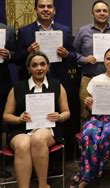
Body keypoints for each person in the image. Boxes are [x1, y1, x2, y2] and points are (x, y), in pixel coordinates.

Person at [3, 51, 70, 188]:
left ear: (48, 66)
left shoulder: (57, 85)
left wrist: (60, 116)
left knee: (38, 139)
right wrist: (19, 119)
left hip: (48, 128)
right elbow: (6, 115)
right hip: (21, 129)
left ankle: (42, 185)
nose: (39, 68)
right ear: (29, 68)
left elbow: (67, 112)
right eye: (34, 65)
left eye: (42, 64)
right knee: (23, 145)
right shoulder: (17, 87)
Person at [71, 48, 110, 187]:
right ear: (104, 60)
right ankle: (90, 175)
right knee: (88, 133)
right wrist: (88, 104)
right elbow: (90, 107)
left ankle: (87, 175)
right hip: (97, 117)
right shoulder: (96, 80)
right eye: (108, 59)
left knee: (107, 134)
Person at [73, 0, 110, 117]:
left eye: (105, 11)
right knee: (86, 115)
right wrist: (84, 59)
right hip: (89, 79)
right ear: (92, 14)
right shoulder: (83, 31)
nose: (102, 13)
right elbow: (73, 53)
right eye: (98, 11)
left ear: (109, 14)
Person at [15, 0, 75, 84]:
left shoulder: (65, 31)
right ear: (35, 10)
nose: (46, 9)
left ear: (54, 11)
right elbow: (17, 59)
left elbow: (74, 56)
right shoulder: (24, 31)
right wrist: (28, 51)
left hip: (58, 80)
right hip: (31, 81)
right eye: (42, 6)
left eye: (49, 6)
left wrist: (66, 54)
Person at [0, 22, 16, 149]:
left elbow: (16, 54)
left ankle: (6, 153)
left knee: (5, 114)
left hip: (2, 79)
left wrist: (9, 54)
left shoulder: (7, 30)